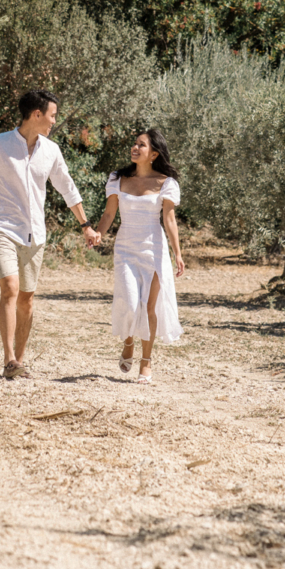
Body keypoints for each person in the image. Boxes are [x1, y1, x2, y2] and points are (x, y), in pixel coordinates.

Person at [0, 89, 100, 380]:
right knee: (10, 287)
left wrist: (86, 225)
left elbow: (67, 188)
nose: (53, 121)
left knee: (27, 299)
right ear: (37, 114)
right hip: (3, 229)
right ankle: (9, 359)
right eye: (52, 115)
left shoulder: (51, 151)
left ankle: (19, 362)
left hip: (36, 235)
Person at [95, 127, 184, 385]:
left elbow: (169, 219)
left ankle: (146, 362)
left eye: (141, 145)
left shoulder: (166, 183)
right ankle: (128, 340)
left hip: (154, 249)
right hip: (125, 247)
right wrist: (98, 234)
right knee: (131, 300)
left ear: (154, 154)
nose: (135, 148)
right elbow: (109, 214)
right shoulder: (118, 178)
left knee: (149, 306)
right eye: (134, 144)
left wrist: (177, 253)